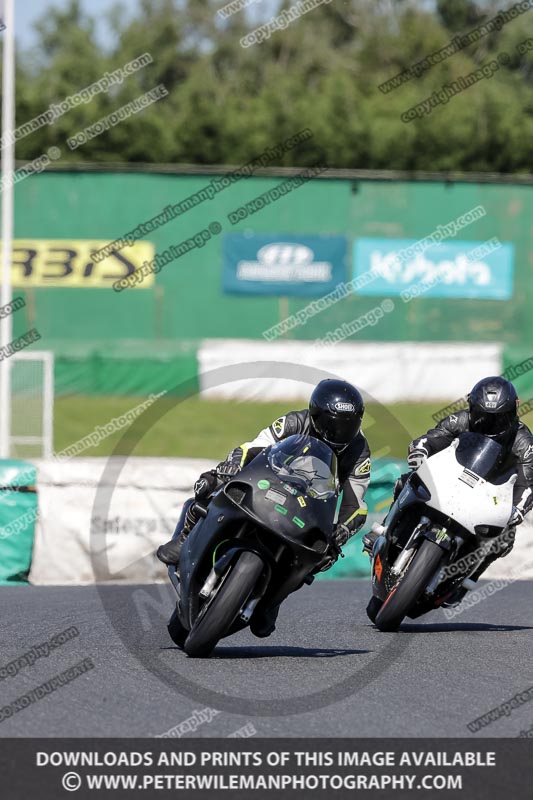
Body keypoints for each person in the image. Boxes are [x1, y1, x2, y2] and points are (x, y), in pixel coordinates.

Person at [157, 378, 372, 636]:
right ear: (315, 414)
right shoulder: (293, 422)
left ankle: (272, 601)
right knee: (208, 485)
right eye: (332, 424)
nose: (339, 433)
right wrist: (231, 465)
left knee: (322, 554)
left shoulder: (359, 450)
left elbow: (355, 503)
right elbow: (253, 447)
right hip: (271, 481)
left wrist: (343, 531)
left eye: (348, 426)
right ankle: (185, 537)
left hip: (312, 503)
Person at [363, 376, 533, 604]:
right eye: (482, 417)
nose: (489, 425)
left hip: (490, 497)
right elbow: (430, 439)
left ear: (514, 411)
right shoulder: (459, 420)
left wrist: (518, 509)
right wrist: (419, 452)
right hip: (452, 481)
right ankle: (384, 529)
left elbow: (528, 484)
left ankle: (466, 580)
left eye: (499, 419)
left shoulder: (524, 442)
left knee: (504, 539)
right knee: (407, 481)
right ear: (471, 408)